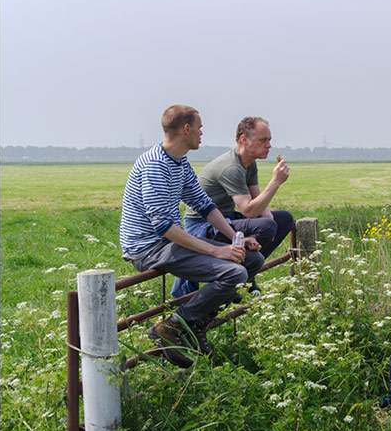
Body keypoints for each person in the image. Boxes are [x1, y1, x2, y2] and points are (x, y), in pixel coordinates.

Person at [119, 105, 264, 368]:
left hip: (167, 240)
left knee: (252, 260)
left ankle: (196, 324)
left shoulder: (179, 160)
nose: (201, 133)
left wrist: (234, 239)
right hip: (148, 246)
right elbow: (163, 227)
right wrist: (217, 251)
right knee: (235, 274)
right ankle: (172, 325)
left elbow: (203, 203)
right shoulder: (155, 166)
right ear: (186, 129)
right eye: (199, 127)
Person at [172, 116, 293, 297]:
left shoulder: (249, 164)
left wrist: (269, 219)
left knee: (284, 219)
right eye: (263, 140)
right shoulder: (231, 167)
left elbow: (257, 200)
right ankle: (237, 277)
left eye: (269, 140)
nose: (268, 145)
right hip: (202, 225)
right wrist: (275, 182)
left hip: (226, 218)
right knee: (267, 226)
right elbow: (249, 210)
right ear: (244, 140)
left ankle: (247, 273)